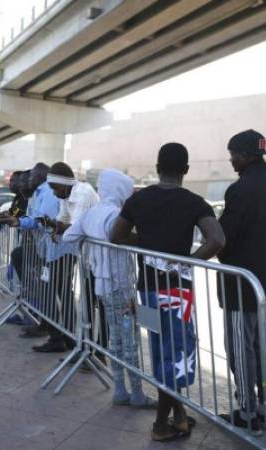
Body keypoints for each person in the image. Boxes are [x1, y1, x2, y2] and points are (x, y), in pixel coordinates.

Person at [111, 143, 225, 442]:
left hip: (147, 290)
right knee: (175, 357)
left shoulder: (139, 199)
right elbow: (216, 240)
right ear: (185, 170)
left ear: (158, 166)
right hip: (177, 293)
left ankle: (179, 415)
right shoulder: (194, 202)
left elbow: (116, 235)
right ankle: (161, 426)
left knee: (163, 353)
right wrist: (187, 262)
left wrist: (146, 242)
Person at [217, 129, 266, 433]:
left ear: (246, 156)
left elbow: (224, 237)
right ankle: (265, 408)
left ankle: (248, 412)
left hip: (243, 288)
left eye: (233, 154)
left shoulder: (239, 189)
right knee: (263, 347)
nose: (231, 160)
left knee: (241, 348)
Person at [63, 168, 155, 407]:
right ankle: (136, 394)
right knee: (129, 340)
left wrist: (90, 244)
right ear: (120, 190)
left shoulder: (92, 213)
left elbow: (69, 236)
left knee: (116, 339)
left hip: (102, 286)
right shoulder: (116, 214)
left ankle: (120, 390)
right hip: (121, 287)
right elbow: (122, 237)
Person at [30, 161, 100, 353]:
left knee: (91, 307)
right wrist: (55, 226)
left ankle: (89, 351)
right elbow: (62, 220)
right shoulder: (65, 194)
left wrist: (58, 228)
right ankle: (76, 345)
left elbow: (76, 229)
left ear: (65, 183)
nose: (54, 193)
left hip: (98, 258)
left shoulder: (82, 193)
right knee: (78, 300)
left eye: (56, 188)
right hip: (85, 256)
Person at [0, 163, 60, 340]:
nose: (27, 181)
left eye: (31, 177)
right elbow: (33, 218)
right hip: (43, 250)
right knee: (45, 289)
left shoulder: (47, 193)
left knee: (53, 292)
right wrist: (15, 219)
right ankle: (46, 325)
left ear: (40, 177)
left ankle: (57, 335)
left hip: (53, 251)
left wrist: (19, 222)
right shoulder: (36, 194)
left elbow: (42, 221)